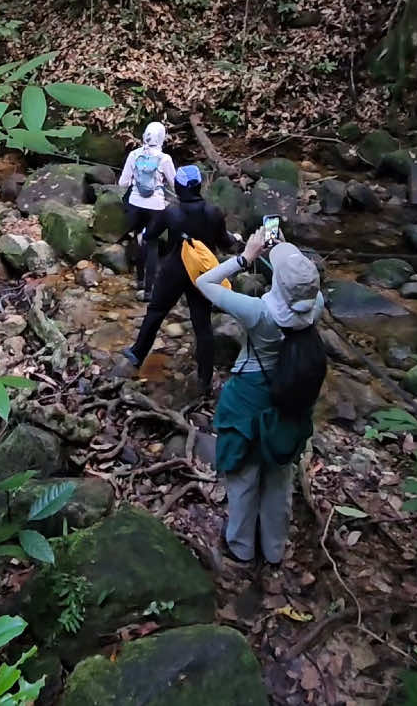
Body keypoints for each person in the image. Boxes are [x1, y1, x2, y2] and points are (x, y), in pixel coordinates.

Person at [194, 230, 324, 565]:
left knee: (243, 475)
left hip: (249, 400)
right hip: (290, 402)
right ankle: (274, 549)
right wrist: (281, 245)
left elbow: (205, 283)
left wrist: (245, 257)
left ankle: (240, 547)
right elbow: (300, 283)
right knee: (279, 477)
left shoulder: (258, 313)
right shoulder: (316, 307)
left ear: (277, 285)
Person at [122, 164, 238, 394]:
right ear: (198, 187)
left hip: (174, 269)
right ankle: (205, 376)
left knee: (156, 312)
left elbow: (151, 234)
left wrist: (143, 235)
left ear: (179, 186)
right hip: (203, 274)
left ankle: (137, 353)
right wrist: (237, 239)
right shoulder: (214, 212)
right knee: (202, 324)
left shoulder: (171, 212)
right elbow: (225, 243)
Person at [118, 121, 176, 298]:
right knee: (152, 244)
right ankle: (149, 290)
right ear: (162, 137)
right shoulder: (164, 159)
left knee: (139, 239)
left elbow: (123, 183)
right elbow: (174, 184)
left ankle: (140, 280)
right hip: (156, 207)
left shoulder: (134, 155)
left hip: (136, 205)